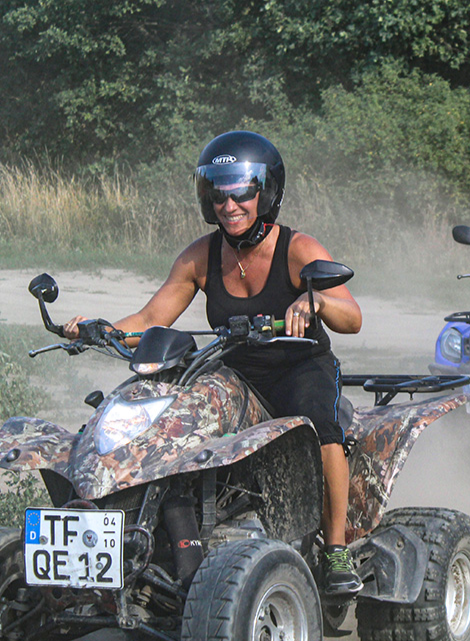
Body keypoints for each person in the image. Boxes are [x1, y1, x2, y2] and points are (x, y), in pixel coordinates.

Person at [63, 131, 364, 595]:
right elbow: (149, 320)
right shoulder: (201, 256)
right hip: (234, 373)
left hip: (299, 368)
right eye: (218, 194)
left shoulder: (297, 249)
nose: (230, 205)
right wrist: (98, 329)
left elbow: (353, 317)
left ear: (266, 192)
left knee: (319, 425)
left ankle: (336, 551)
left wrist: (317, 301)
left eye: (242, 192)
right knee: (176, 419)